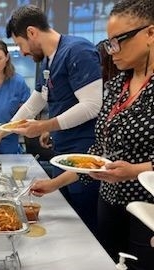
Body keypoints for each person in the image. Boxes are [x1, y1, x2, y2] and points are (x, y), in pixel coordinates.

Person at [31, 0, 154, 268]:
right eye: (108, 43)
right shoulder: (116, 86)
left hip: (147, 212)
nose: (111, 51)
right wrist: (53, 185)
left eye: (118, 41)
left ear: (150, 33)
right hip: (109, 203)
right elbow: (98, 154)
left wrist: (134, 171)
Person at [0, 5, 103, 235]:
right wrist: (1, 133)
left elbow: (92, 105)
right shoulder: (47, 62)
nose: (22, 52)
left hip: (83, 155)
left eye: (20, 44)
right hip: (62, 152)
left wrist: (46, 125)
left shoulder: (77, 51)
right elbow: (34, 103)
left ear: (32, 32)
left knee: (83, 229)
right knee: (65, 221)